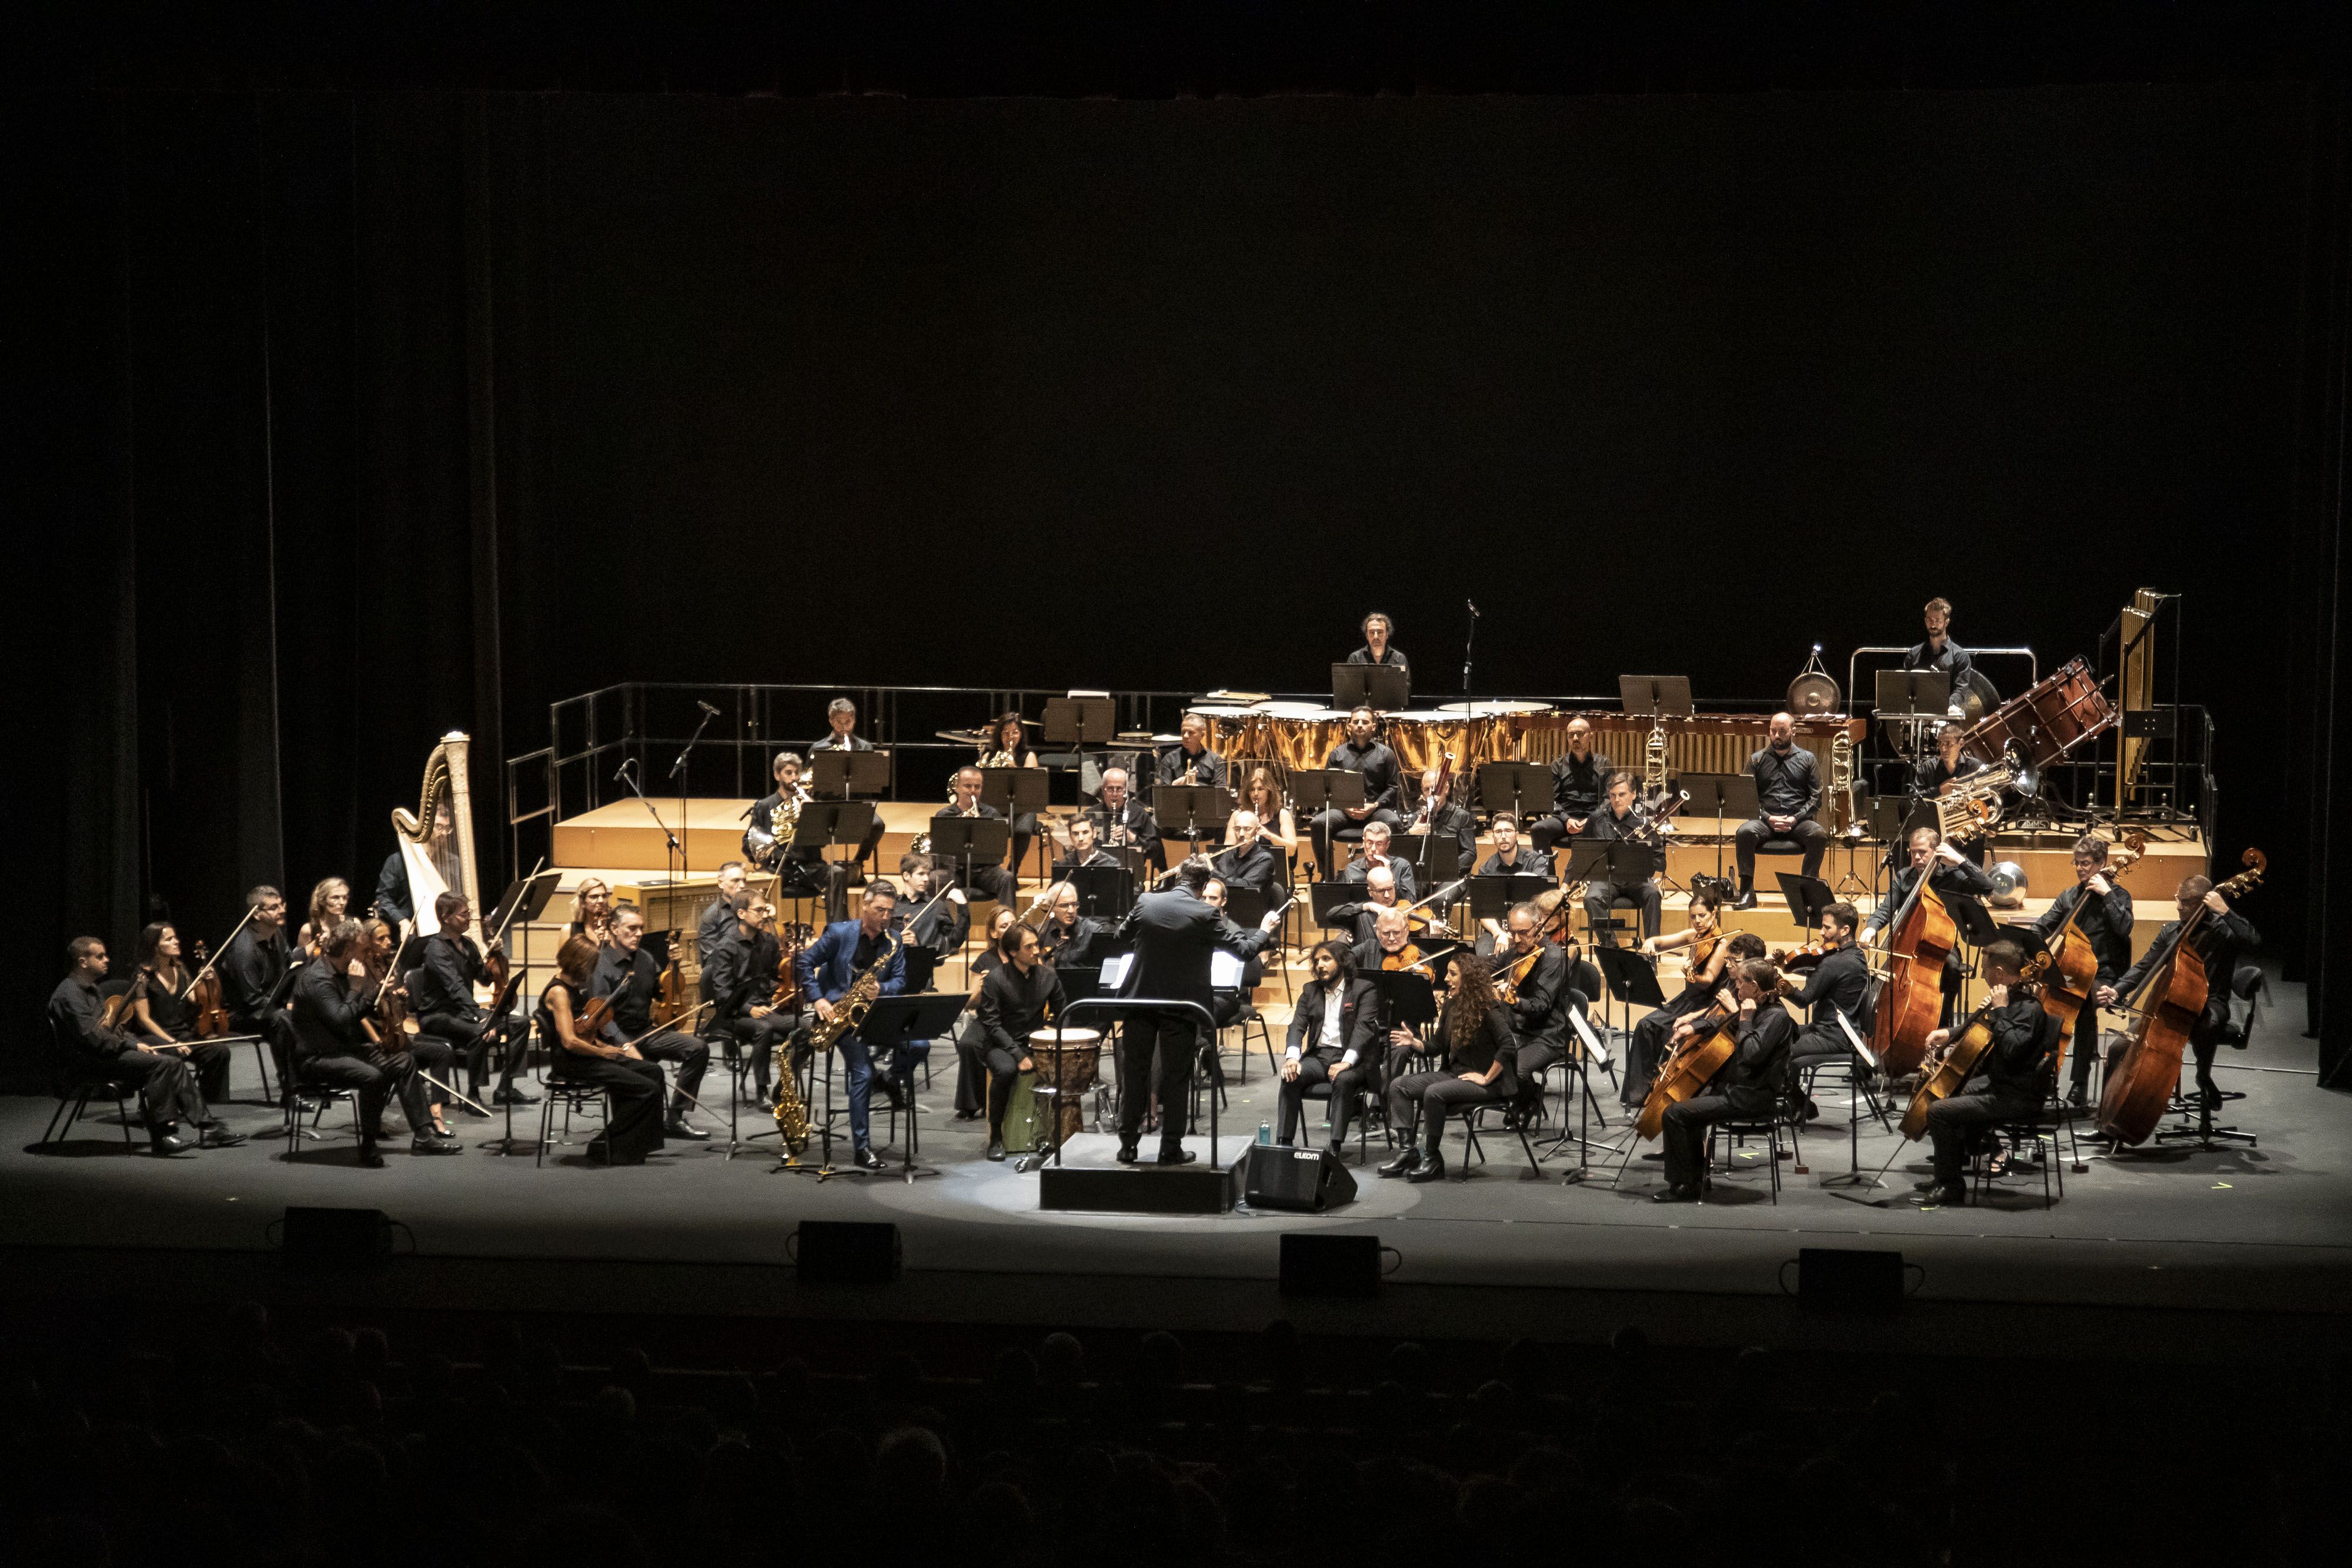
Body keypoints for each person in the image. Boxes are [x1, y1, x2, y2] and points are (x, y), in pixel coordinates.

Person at [1110, 858, 1281, 1165]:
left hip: (1140, 1003)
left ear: (1178, 876)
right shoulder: (1205, 913)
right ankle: (1170, 1149)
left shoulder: (1147, 901)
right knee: (1177, 1078)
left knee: (1135, 1074)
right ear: (1204, 887)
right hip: (1181, 1007)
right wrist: (1265, 929)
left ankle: (1128, 1146)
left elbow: (1120, 938)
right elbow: (1244, 951)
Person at [48, 937, 235, 1154]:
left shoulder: (92, 989)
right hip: (88, 1060)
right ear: (83, 962)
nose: (107, 960)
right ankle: (163, 1136)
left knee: (170, 1061)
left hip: (104, 1052)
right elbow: (95, 1038)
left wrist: (137, 1044)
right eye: (100, 957)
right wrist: (134, 1047)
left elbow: (114, 1031)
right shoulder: (70, 994)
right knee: (162, 1064)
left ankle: (208, 1128)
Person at [1915, 941, 2058, 1207]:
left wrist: (2000, 1010)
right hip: (2002, 1084)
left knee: (1939, 1112)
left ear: (2000, 973)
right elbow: (1982, 1027)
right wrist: (1949, 1033)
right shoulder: (2011, 1001)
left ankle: (1951, 1186)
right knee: (1950, 1093)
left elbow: (2012, 1049)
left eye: (1985, 969)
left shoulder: (2028, 1009)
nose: (1982, 975)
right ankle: (1947, 1173)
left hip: (2016, 1095)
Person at [2100, 874, 2258, 1112]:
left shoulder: (2222, 932)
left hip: (2212, 1003)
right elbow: (2145, 966)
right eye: (2178, 899)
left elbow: (2253, 940)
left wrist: (2226, 911)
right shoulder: (2172, 932)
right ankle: (2106, 1115)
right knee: (2116, 1050)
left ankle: (2203, 1075)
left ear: (2203, 903)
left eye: (2186, 902)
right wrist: (2117, 989)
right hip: (2169, 1007)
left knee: (2208, 1024)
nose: (2178, 906)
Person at [289, 920, 440, 1165]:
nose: (367, 954)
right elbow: (341, 1019)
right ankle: (368, 1145)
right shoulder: (318, 979)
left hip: (343, 1050)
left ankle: (423, 1135)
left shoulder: (340, 972)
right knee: (372, 1076)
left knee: (403, 1060)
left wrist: (376, 992)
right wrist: (357, 989)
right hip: (318, 1057)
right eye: (363, 950)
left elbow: (352, 1014)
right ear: (349, 951)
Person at [1653, 959, 1793, 1202]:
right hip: (1735, 1091)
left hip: (1748, 1098)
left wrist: (1747, 1020)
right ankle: (1694, 1180)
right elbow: (1722, 1021)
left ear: (1754, 986)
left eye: (1741, 983)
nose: (1737, 988)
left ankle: (1685, 1185)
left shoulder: (1776, 1017)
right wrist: (1694, 1027)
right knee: (1688, 1103)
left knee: (1675, 1114)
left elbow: (1751, 1054)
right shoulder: (1756, 1007)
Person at [796, 883, 911, 1171]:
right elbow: (804, 963)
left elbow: (900, 981)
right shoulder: (839, 933)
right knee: (861, 1073)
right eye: (879, 910)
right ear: (865, 905)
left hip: (876, 1014)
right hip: (839, 1016)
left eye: (890, 912)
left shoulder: (894, 940)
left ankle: (888, 1079)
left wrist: (881, 989)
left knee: (919, 1045)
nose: (886, 917)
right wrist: (819, 999)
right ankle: (862, 1147)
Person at [1377, 953, 1517, 1182]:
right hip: (1454, 1075)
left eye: (1453, 974)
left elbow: (1508, 1046)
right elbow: (1436, 1046)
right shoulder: (1452, 1004)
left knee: (1434, 1093)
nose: (1447, 979)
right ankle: (1408, 1151)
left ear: (1469, 978)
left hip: (1488, 1083)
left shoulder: (1488, 1008)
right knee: (1399, 1085)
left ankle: (1432, 1158)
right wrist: (1415, 1043)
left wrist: (1486, 1078)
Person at [539, 934, 668, 1165]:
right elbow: (569, 1041)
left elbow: (584, 1035)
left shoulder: (574, 989)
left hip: (587, 1055)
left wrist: (610, 1047)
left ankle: (639, 1144)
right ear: (577, 964)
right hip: (572, 1062)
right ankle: (603, 1145)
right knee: (646, 1090)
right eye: (589, 966)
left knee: (653, 1072)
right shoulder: (559, 993)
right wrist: (603, 1053)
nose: (591, 972)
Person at [590, 905, 713, 1140]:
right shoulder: (600, 965)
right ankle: (633, 1126)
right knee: (646, 1068)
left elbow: (662, 992)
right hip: (612, 1038)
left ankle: (675, 1118)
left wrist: (673, 966)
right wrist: (625, 1045)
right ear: (614, 929)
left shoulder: (645, 958)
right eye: (632, 928)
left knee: (697, 1048)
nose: (638, 934)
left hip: (645, 1032)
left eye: (641, 929)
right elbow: (602, 1018)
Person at [2037, 833, 2135, 1105]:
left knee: (2082, 1005)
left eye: (2087, 863)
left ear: (2102, 863)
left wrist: (2106, 894)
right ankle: (2044, 1077)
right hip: (2072, 970)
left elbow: (2125, 928)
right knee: (2044, 1004)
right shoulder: (2070, 896)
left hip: (2104, 974)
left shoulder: (2119, 896)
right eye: (2077, 863)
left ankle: (2079, 1082)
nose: (2081, 868)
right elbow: (2045, 924)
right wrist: (2027, 941)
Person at [409, 892, 532, 1106]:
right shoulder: (436, 949)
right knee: (480, 1032)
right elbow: (455, 987)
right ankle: (473, 1095)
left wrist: (496, 957)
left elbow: (484, 979)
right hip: (437, 1015)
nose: (469, 918)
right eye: (463, 914)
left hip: (462, 1013)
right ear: (446, 917)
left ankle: (505, 1088)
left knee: (521, 1023)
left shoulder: (467, 944)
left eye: (469, 913)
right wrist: (480, 1017)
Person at [1863, 828, 1994, 1027]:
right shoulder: (1903, 877)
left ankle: (1942, 1028)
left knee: (1950, 970)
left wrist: (1959, 860)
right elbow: (1886, 910)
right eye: (1913, 851)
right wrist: (1871, 927)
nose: (1916, 857)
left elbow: (1987, 886)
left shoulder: (1953, 877)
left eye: (1922, 852)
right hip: (1905, 945)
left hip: (1941, 946)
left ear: (1937, 851)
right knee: (1879, 985)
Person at [1622, 889, 1733, 1108]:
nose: (1698, 921)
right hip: (1686, 1000)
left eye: (1702, 915)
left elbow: (1708, 979)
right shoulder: (1693, 937)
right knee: (1644, 1026)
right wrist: (1651, 943)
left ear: (1714, 914)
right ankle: (1638, 1094)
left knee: (1665, 1030)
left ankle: (1660, 1091)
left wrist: (1690, 973)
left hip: (1705, 1004)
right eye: (1693, 917)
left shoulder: (1722, 945)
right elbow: (1661, 942)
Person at [975, 921, 1068, 1161]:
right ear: (1014, 952)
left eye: (1037, 944)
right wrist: (1018, 1055)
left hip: (1034, 1041)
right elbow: (992, 1025)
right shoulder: (996, 980)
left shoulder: (1048, 976)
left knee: (1061, 1070)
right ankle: (997, 1137)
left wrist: (1058, 1042)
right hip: (1001, 1043)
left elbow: (1064, 1013)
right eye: (1030, 947)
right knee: (1005, 1071)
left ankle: (1049, 1136)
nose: (1037, 951)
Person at [1275, 940, 1378, 1154]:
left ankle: (1335, 1146)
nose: (1320, 965)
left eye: (1326, 959)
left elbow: (1363, 1030)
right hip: (1320, 1057)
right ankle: (1284, 1143)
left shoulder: (1363, 989)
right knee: (1290, 1077)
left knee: (1342, 1080)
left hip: (1353, 1059)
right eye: (1316, 961)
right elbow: (1297, 1026)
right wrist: (1292, 1058)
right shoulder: (1310, 990)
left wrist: (1346, 1062)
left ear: (1342, 962)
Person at [122, 922, 234, 1105]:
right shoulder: (142, 976)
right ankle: (180, 1105)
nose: (177, 942)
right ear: (155, 946)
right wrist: (172, 1041)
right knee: (173, 1054)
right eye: (169, 939)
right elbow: (143, 1019)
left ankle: (212, 1104)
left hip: (183, 1033)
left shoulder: (180, 968)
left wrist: (207, 982)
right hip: (154, 1037)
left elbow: (195, 1000)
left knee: (219, 1052)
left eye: (175, 937)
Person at [1781, 901, 1873, 1110]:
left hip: (1832, 1036)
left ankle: (1798, 1104)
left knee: (1778, 1048)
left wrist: (1784, 988)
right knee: (1781, 1037)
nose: (1822, 932)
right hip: (1842, 1032)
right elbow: (1821, 975)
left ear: (1845, 930)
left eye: (1827, 928)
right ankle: (1796, 1101)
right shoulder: (1857, 956)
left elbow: (1804, 999)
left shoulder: (1834, 963)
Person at [707, 890, 792, 1105]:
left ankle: (783, 1088)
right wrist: (749, 1009)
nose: (765, 915)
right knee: (764, 1029)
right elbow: (722, 993)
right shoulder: (726, 946)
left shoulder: (769, 942)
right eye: (759, 910)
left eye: (766, 909)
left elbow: (775, 976)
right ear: (742, 913)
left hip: (766, 1010)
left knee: (807, 1028)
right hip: (736, 1015)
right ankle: (762, 1090)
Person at [1732, 713, 1825, 906]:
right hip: (1766, 822)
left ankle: (1808, 892)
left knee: (1819, 835)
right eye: (1773, 731)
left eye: (1781, 732)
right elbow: (1746, 797)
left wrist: (1795, 818)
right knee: (1745, 832)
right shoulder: (1757, 760)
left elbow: (1817, 798)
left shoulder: (1808, 759)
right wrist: (1768, 817)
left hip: (1798, 822)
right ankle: (1747, 893)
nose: (1776, 736)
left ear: (1793, 732)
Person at [1494, 902, 1575, 1123]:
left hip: (1547, 1036)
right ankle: (1527, 1095)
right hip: (1518, 1029)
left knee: (1515, 1069)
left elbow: (1540, 1006)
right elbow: (1492, 965)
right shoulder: (1517, 951)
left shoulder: (1554, 959)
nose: (1517, 939)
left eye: (1523, 933)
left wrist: (1514, 1000)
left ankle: (1529, 1099)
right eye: (1512, 933)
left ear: (1539, 928)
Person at [1308, 706, 1404, 876]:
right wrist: (1345, 807)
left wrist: (1373, 806)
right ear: (1349, 726)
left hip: (1375, 811)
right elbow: (1327, 789)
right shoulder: (1337, 754)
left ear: (1374, 727)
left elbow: (1393, 788)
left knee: (1394, 822)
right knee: (1318, 823)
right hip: (1343, 812)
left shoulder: (1386, 754)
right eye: (1356, 722)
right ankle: (1327, 876)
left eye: (1365, 722)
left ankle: (1393, 874)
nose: (1360, 725)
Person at [950, 907, 1023, 1121]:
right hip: (989, 1020)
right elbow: (970, 1005)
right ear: (994, 933)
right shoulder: (985, 960)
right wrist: (980, 988)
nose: (1010, 929)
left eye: (1013, 924)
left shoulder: (1027, 953)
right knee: (968, 1044)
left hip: (1018, 1020)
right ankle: (972, 1103)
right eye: (1004, 926)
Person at [220, 885, 295, 1092]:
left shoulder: (276, 935)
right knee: (282, 1020)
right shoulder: (244, 950)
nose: (281, 910)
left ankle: (314, 1078)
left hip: (270, 1005)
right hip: (242, 1014)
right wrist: (287, 1008)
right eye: (273, 908)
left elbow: (289, 967)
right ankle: (290, 1087)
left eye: (281, 905)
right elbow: (252, 1000)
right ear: (257, 915)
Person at [1582, 771, 1667, 944]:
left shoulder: (1644, 825)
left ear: (1634, 795)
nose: (1616, 800)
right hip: (1606, 879)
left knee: (1653, 894)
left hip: (1637, 880)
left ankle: (1652, 953)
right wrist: (1566, 884)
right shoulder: (1598, 820)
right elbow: (1583, 852)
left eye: (1622, 795)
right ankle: (1612, 952)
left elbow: (1661, 863)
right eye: (1613, 795)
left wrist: (1639, 857)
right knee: (1591, 898)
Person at [808, 697, 890, 870]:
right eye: (839, 722)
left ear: (854, 720)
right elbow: (808, 782)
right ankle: (816, 869)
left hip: (856, 805)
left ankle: (857, 863)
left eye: (849, 721)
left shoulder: (864, 747)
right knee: (806, 825)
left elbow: (871, 784)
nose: (845, 727)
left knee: (877, 825)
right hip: (827, 805)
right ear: (831, 721)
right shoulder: (819, 747)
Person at [934, 767, 1020, 908]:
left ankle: (1010, 926)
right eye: (968, 786)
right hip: (955, 871)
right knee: (934, 879)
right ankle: (938, 924)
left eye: (977, 787)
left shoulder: (992, 814)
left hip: (984, 871)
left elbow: (998, 853)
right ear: (957, 787)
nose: (973, 790)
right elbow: (938, 854)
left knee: (1007, 878)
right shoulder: (944, 815)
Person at [972, 713, 1044, 876]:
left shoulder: (1029, 756)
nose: (1010, 737)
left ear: (1021, 734)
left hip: (1024, 808)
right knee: (989, 827)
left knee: (1022, 831)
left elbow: (1031, 786)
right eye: (1005, 732)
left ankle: (1013, 871)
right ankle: (992, 871)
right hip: (995, 806)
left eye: (1015, 732)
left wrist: (1014, 769)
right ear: (999, 734)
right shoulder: (988, 756)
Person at [1530, 718, 1613, 857]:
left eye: (1580, 734)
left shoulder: (1604, 765)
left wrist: (1591, 819)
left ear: (1591, 736)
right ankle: (1548, 877)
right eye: (1571, 735)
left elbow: (1608, 799)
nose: (1575, 739)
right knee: (1537, 829)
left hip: (1594, 819)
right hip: (1564, 820)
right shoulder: (1557, 766)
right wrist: (1566, 819)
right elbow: (1553, 800)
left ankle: (1600, 877)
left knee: (1612, 832)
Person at [1400, 764, 1477, 877]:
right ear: (1422, 793)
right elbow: (1401, 854)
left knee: (1442, 896)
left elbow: (1470, 854)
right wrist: (1411, 834)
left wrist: (1444, 870)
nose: (1431, 793)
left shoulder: (1462, 817)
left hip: (1450, 876)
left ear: (1446, 789)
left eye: (1435, 788)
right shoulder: (1415, 819)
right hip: (1422, 876)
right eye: (1427, 790)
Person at [1901, 596, 1975, 714]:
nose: (1933, 625)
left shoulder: (1960, 656)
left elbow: (1960, 692)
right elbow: (1904, 687)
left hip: (1946, 716)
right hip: (1917, 715)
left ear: (1946, 623)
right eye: (1930, 620)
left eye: (1938, 620)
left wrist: (1941, 708)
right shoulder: (1914, 655)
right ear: (1925, 621)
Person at [1092, 766, 1164, 872]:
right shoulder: (1091, 814)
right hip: (1097, 872)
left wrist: (1134, 839)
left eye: (1120, 789)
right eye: (1110, 789)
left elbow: (1154, 851)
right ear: (1103, 789)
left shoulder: (1139, 814)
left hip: (1131, 874)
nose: (1115, 794)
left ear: (1126, 790)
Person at [1235, 765, 1300, 882]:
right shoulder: (1238, 816)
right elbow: (1227, 850)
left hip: (1275, 876)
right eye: (1252, 789)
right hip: (1245, 873)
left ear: (1270, 791)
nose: (1255, 794)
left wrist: (1268, 835)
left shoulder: (1282, 815)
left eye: (1261, 789)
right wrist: (1243, 838)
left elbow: (1291, 850)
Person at [1338, 818, 1418, 902]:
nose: (1373, 849)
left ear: (1387, 845)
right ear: (1364, 842)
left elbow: (1411, 901)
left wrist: (1389, 875)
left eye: (1379, 844)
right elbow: (1343, 904)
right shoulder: (1352, 869)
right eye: (1369, 842)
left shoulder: (1402, 865)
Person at [1212, 810, 1279, 903]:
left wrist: (1213, 873)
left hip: (1251, 912)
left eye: (1247, 829)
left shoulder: (1265, 859)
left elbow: (1245, 887)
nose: (1241, 834)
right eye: (1237, 829)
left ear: (1256, 831)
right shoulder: (1228, 854)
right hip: (1226, 908)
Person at [1329, 866, 1404, 948]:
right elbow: (1331, 915)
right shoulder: (1361, 916)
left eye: (1390, 889)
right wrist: (1367, 906)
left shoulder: (1403, 909)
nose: (1387, 895)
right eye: (1381, 891)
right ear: (1370, 892)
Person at [1037, 881, 1107, 968]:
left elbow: (1101, 967)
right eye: (1064, 906)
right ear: (1050, 907)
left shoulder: (1093, 931)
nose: (1071, 911)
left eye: (1075, 905)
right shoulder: (1040, 932)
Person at [697, 861, 748, 972]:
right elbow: (711, 961)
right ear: (721, 883)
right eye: (736, 881)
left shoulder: (750, 911)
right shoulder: (711, 916)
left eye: (744, 880)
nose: (742, 885)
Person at [1158, 712, 1228, 791]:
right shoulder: (1170, 759)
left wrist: (1197, 787)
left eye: (1191, 732)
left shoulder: (1215, 760)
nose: (1185, 736)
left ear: (1202, 736)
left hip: (1206, 803)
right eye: (1183, 732)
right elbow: (1163, 795)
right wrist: (1176, 784)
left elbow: (1220, 793)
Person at [296, 877, 351, 958]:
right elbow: (298, 961)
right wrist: (316, 945)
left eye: (345, 898)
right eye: (335, 898)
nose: (342, 903)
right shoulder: (309, 930)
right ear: (322, 900)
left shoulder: (352, 925)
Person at [1347, 610, 1408, 674]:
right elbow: (1350, 684)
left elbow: (1405, 684)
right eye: (1372, 633)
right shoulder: (1355, 659)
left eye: (1380, 632)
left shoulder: (1400, 658)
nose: (1376, 637)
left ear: (1387, 635)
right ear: (1367, 636)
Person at [566, 877, 614, 944]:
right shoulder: (569, 931)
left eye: (604, 896)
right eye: (594, 897)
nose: (601, 901)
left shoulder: (615, 930)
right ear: (582, 901)